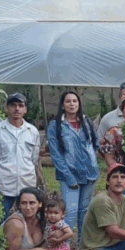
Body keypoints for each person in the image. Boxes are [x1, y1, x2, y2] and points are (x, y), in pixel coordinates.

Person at [46, 91, 100, 238]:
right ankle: (64, 248)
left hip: (90, 174)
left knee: (85, 213)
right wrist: (69, 176)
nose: (72, 104)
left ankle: (84, 248)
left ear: (79, 104)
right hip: (69, 175)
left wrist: (92, 163)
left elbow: (95, 144)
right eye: (68, 101)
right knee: (70, 212)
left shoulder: (86, 122)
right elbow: (56, 154)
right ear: (63, 105)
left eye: (75, 101)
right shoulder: (56, 125)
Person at [0, 93, 42, 216]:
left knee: (27, 223)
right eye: (13, 105)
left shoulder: (32, 131)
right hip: (3, 187)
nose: (17, 109)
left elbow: (34, 158)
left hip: (27, 186)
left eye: (21, 106)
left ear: (25, 109)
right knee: (4, 223)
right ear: (6, 108)